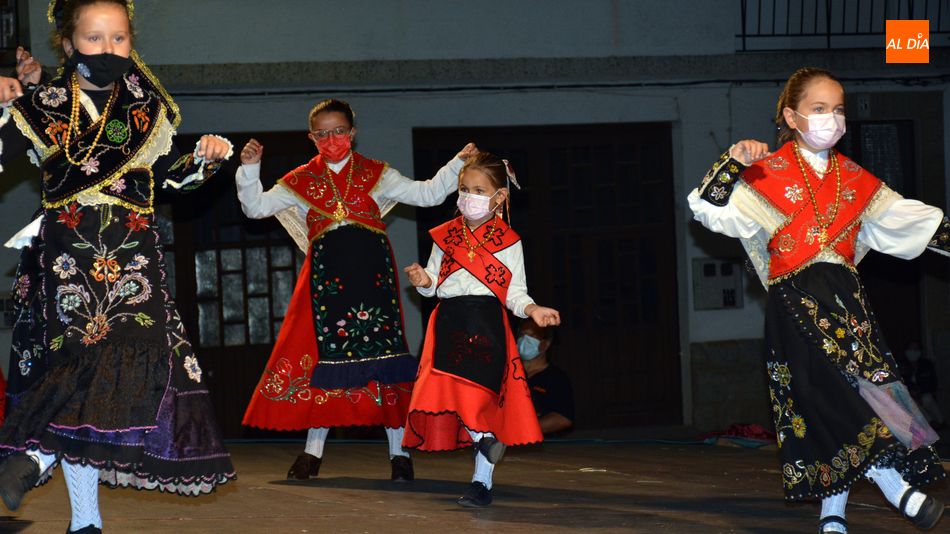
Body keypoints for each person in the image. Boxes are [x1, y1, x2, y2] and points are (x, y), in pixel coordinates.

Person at [0, 1, 236, 532]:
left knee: (143, 363)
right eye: (94, 39)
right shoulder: (44, 106)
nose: (109, 50)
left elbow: (170, 182)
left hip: (133, 250)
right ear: (68, 44)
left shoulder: (148, 108)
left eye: (119, 40)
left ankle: (35, 461)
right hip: (70, 252)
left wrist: (203, 160)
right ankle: (85, 522)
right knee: (86, 374)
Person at [688, 67, 948, 532]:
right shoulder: (767, 172)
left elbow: (920, 226)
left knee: (868, 394)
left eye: (839, 109)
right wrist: (733, 159)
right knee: (823, 396)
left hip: (849, 304)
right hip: (796, 304)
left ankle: (832, 513)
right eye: (819, 109)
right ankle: (896, 491)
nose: (833, 118)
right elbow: (708, 206)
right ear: (792, 115)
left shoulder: (856, 179)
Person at [238, 98, 476, 482]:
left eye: (339, 131)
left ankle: (399, 455)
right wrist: (250, 169)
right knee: (326, 364)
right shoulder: (299, 181)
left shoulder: (377, 174)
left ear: (352, 133)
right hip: (325, 289)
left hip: (374, 285)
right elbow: (254, 208)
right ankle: (312, 453)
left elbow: (429, 194)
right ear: (311, 137)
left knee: (386, 365)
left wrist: (457, 164)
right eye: (323, 134)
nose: (332, 139)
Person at [403, 152, 560, 507]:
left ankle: (480, 482)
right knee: (442, 393)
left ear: (499, 197)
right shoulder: (444, 236)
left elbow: (514, 292)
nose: (467, 196)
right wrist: (421, 280)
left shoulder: (508, 241)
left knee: (477, 398)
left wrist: (533, 309)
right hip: (446, 322)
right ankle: (486, 440)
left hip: (485, 323)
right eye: (463, 188)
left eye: (477, 189)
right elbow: (433, 284)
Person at [518, 319, 574, 435]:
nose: (525, 340)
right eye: (522, 335)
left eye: (532, 336)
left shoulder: (556, 378)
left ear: (546, 344)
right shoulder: (509, 374)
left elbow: (562, 419)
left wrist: (519, 431)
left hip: (544, 447)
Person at [899, 342, 945, 429]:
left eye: (915, 349)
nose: (913, 352)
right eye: (911, 349)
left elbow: (932, 383)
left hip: (923, 394)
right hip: (909, 397)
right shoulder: (901, 365)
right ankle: (930, 422)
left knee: (928, 398)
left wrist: (920, 393)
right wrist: (912, 393)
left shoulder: (926, 364)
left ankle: (941, 421)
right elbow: (901, 383)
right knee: (913, 403)